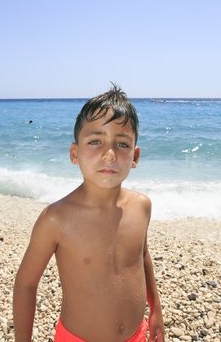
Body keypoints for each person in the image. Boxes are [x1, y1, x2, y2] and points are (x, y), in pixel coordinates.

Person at [13, 84, 164, 342]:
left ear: (135, 156)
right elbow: (26, 284)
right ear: (75, 153)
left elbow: (142, 256)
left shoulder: (142, 206)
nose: (109, 155)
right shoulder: (57, 218)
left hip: (137, 335)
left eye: (122, 144)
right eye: (95, 141)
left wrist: (156, 309)